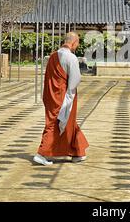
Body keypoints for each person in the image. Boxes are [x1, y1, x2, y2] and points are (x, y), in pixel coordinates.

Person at [33, 32, 89, 166]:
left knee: (69, 123)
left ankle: (76, 152)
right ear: (74, 42)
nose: (77, 46)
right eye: (78, 43)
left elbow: (50, 77)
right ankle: (41, 154)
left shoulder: (52, 56)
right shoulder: (71, 57)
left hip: (52, 94)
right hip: (64, 95)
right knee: (55, 124)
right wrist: (69, 97)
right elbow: (75, 80)